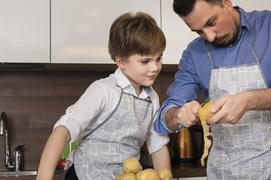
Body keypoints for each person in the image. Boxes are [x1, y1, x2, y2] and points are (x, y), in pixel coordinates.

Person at [154, 0, 271, 179]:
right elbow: (164, 119)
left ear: (226, 3)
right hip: (223, 172)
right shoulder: (193, 54)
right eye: (199, 31)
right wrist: (178, 114)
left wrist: (248, 100)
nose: (209, 36)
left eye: (211, 22)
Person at [36, 12, 171, 180]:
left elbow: (157, 144)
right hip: (85, 176)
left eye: (159, 58)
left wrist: (165, 176)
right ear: (121, 61)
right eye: (145, 61)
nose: (155, 67)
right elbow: (62, 133)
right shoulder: (103, 90)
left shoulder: (152, 98)